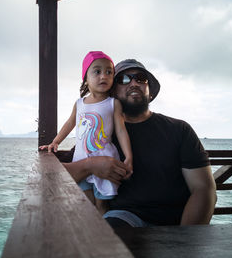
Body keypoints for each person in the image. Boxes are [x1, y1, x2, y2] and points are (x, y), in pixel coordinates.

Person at [61, 59, 217, 227]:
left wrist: (186, 240)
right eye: (124, 79)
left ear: (149, 90)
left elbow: (203, 189)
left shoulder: (179, 130)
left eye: (141, 78)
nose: (134, 83)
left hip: (175, 222)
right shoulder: (100, 133)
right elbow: (59, 174)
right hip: (124, 218)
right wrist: (90, 165)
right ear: (112, 92)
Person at [39, 51, 133, 214]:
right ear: (86, 78)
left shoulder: (113, 103)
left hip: (105, 160)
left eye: (109, 72)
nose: (103, 76)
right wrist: (55, 142)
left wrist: (129, 156)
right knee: (86, 204)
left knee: (102, 205)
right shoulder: (80, 103)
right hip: (81, 160)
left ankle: (103, 235)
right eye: (97, 71)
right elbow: (70, 124)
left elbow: (121, 131)